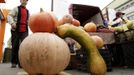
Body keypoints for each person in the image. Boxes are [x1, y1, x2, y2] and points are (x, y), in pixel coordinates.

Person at [7, 0, 29, 68]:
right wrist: (12, 23)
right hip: (16, 29)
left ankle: (21, 63)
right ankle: (14, 62)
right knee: (15, 45)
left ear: (27, 1)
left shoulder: (28, 11)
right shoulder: (16, 9)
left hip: (24, 30)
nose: (24, 1)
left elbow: (28, 20)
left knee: (24, 47)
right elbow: (9, 16)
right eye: (23, 0)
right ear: (20, 1)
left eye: (25, 0)